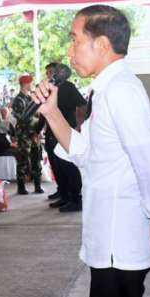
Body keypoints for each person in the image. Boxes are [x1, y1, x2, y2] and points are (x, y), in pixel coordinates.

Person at [31, 5, 150, 297]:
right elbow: (87, 153)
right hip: (110, 241)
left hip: (121, 242)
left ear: (100, 44)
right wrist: (51, 112)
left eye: (75, 39)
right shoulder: (107, 89)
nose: (69, 50)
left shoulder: (121, 91)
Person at [46, 63, 87, 213]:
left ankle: (75, 199)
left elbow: (82, 104)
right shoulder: (52, 89)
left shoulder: (68, 87)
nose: (49, 76)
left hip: (66, 131)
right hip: (53, 131)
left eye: (51, 72)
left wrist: (79, 124)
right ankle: (64, 195)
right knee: (57, 166)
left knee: (68, 166)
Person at [11, 74, 45, 195]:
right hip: (25, 134)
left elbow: (38, 115)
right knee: (23, 160)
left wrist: (38, 130)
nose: (31, 85)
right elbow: (23, 118)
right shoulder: (18, 100)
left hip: (34, 133)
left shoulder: (31, 98)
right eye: (30, 82)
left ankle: (37, 185)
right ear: (25, 84)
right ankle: (21, 187)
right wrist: (35, 127)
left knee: (36, 159)